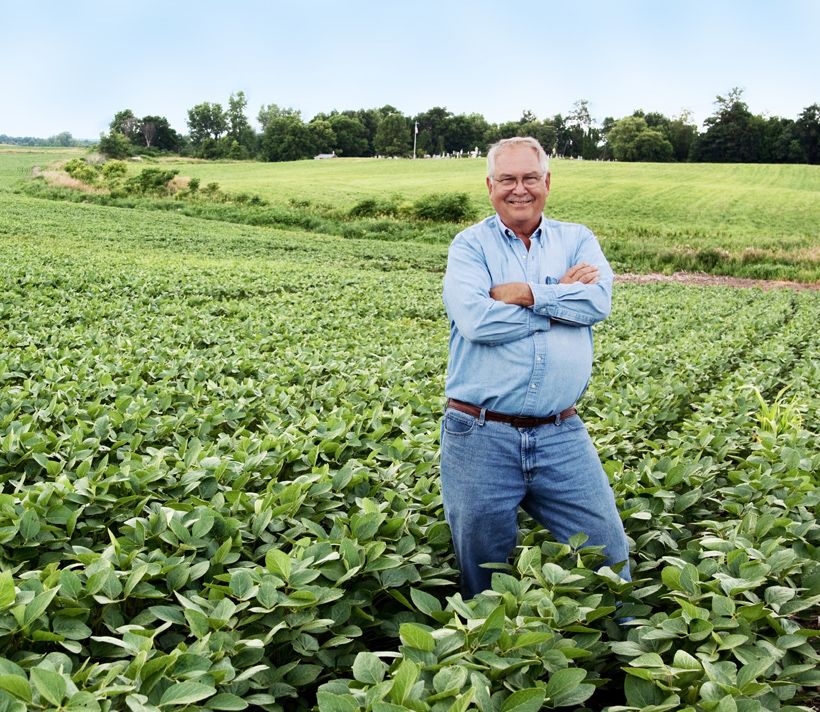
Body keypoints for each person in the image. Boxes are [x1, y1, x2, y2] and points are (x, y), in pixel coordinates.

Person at [440, 136, 630, 599]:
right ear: (490, 186)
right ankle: (488, 662)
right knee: (483, 573)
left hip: (561, 433)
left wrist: (525, 292)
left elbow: (598, 302)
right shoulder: (470, 246)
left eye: (529, 178)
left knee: (608, 553)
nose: (518, 189)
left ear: (547, 181)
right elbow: (478, 320)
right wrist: (560, 296)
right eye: (507, 179)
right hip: (480, 434)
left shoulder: (578, 239)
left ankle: (624, 656)